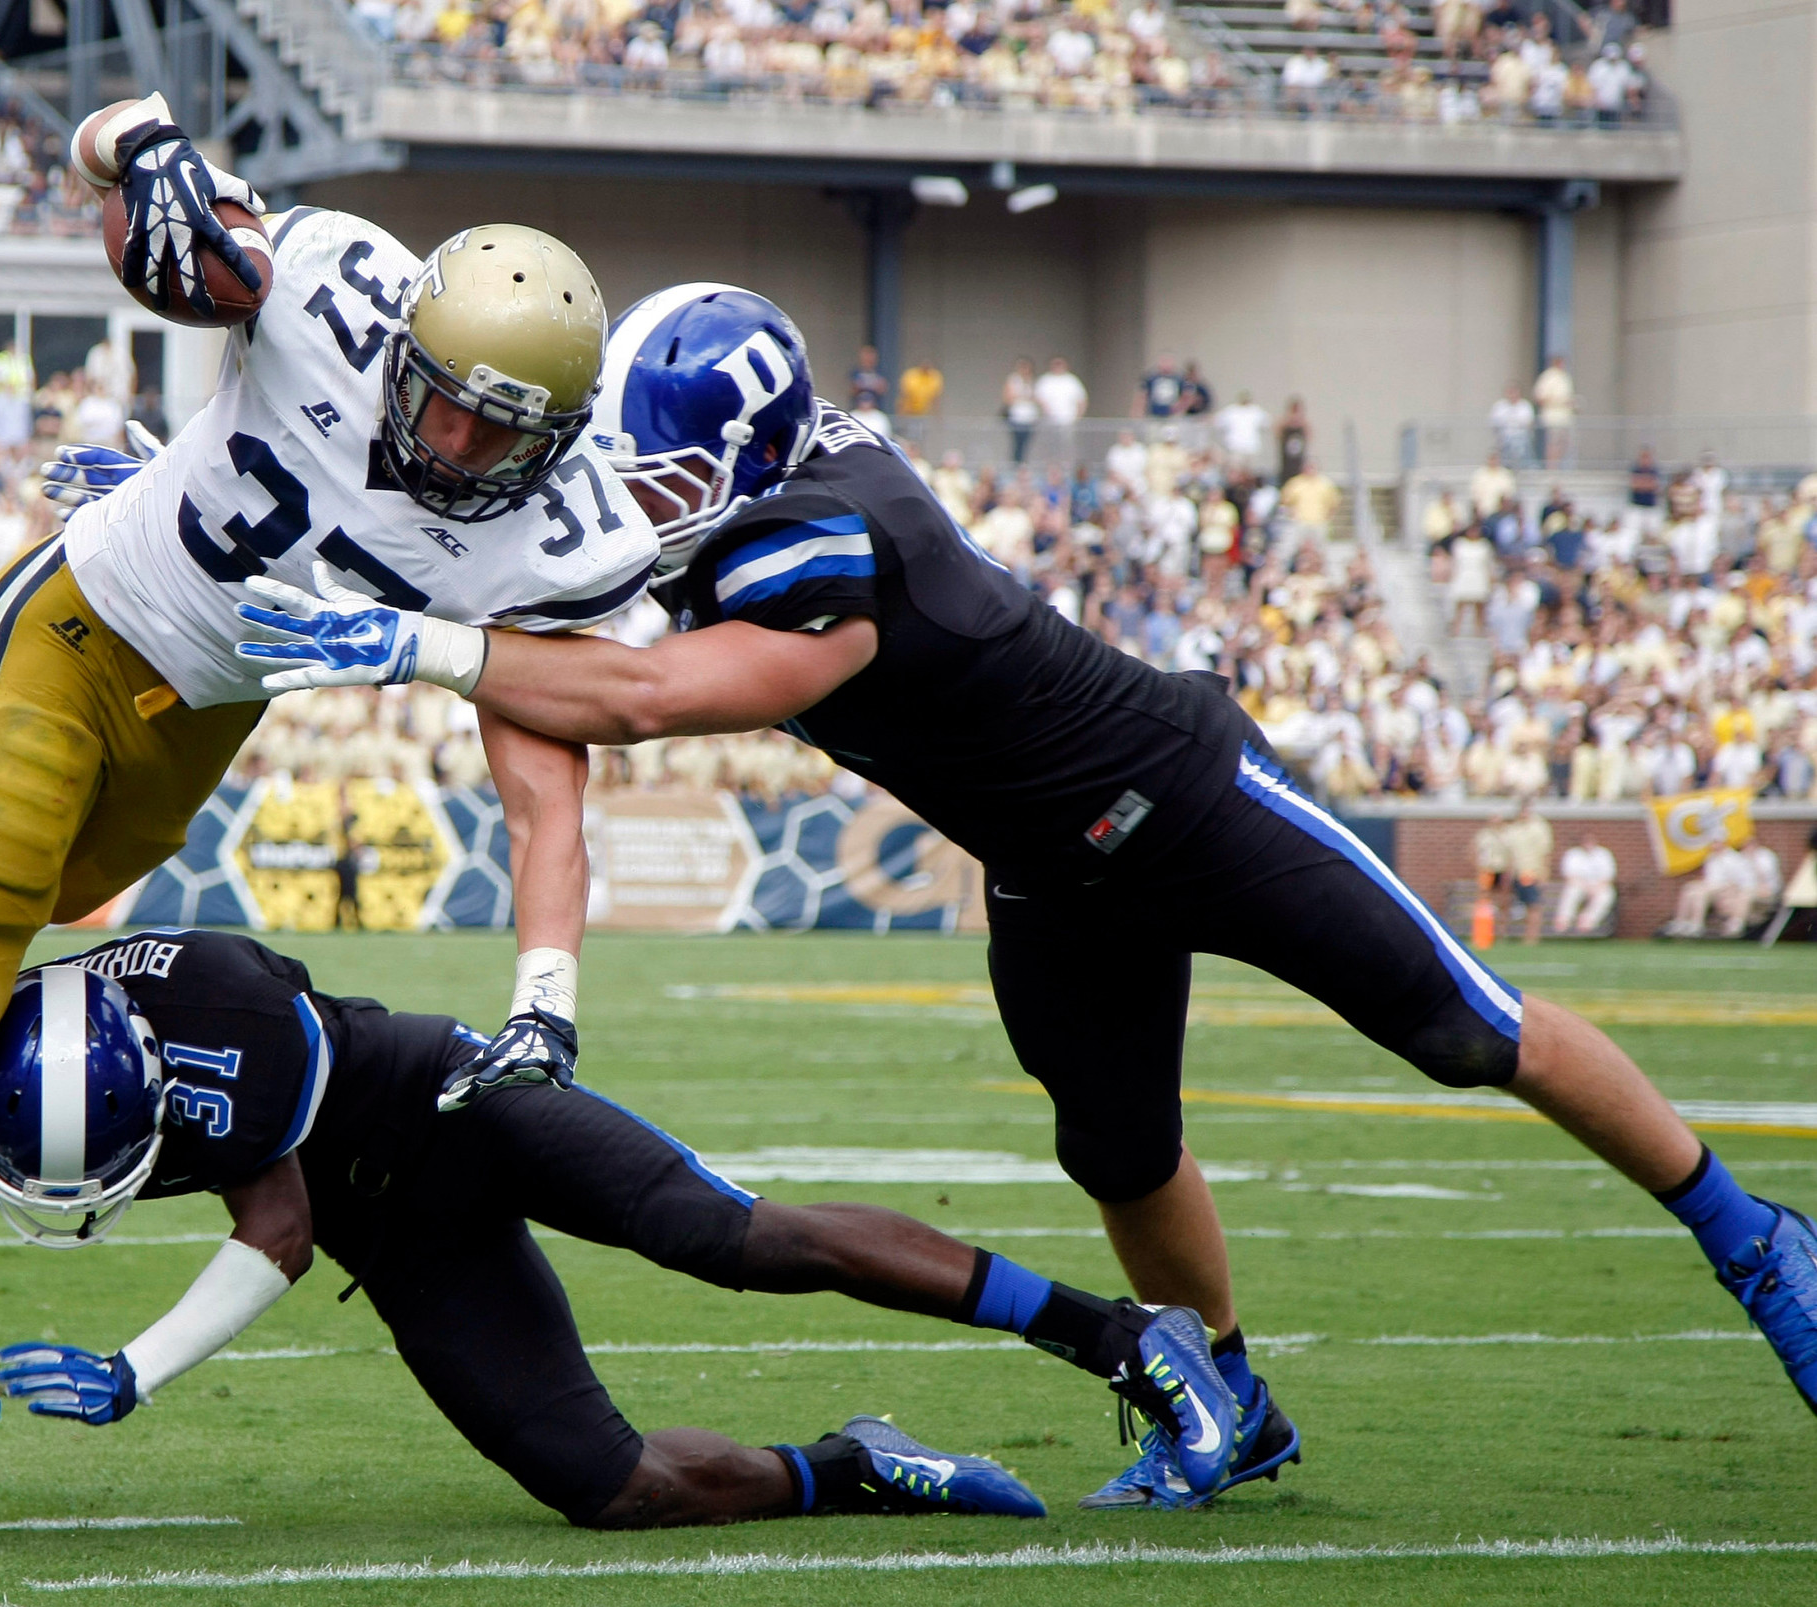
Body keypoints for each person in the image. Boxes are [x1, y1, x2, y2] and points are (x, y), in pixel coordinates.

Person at [230, 283, 1817, 1483]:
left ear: (749, 459)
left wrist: (414, 645)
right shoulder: (741, 485)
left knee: (1464, 1026)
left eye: (667, 473)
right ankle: (1233, 1395)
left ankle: (1754, 1236)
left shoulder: (827, 544)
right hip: (1050, 867)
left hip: (1177, 790)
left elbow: (643, 694)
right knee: (1118, 1146)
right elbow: (563, 592)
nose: (637, 498)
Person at [0, 101, 661, 1376]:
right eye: (443, 405)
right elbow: (114, 147)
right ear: (404, 347)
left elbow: (547, 783)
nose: (458, 446)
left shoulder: (567, 535)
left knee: (10, 895)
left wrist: (547, 994)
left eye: (502, 433)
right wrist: (146, 155)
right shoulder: (325, 283)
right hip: (81, 624)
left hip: (207, 703)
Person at [0, 931, 1247, 1517]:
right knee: (601, 1483)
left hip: (449, 1103)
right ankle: (856, 1467)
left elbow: (277, 1228)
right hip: (398, 1230)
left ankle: (1123, 1335)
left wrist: (134, 1367)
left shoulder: (223, 1015)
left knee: (728, 1236)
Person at [1499, 796, 1553, 945]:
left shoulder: (1539, 828)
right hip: (1516, 872)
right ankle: (1502, 936)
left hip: (1531, 872)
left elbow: (1545, 853)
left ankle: (1531, 938)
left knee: (1533, 905)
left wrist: (1544, 875)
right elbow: (1509, 854)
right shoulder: (1513, 829)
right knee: (1506, 904)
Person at [1554, 832, 1617, 936]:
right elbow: (1569, 875)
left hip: (1598, 886)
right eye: (1586, 841)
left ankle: (1587, 920)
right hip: (1579, 884)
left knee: (1607, 895)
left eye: (1590, 841)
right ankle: (1564, 919)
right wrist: (1585, 887)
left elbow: (1609, 876)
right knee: (1571, 891)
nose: (1588, 844)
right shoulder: (1573, 854)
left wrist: (1596, 888)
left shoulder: (1603, 854)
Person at [1033, 355, 1087, 468]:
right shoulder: (1045, 380)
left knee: (1066, 447)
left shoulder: (1072, 381)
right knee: (1050, 446)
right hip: (1050, 421)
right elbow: (1037, 397)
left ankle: (1067, 467)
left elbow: (1082, 400)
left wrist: (1077, 417)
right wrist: (1046, 410)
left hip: (1068, 421)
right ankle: (1050, 467)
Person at [1533, 355, 1575, 468]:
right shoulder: (1548, 377)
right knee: (1552, 444)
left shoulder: (1565, 377)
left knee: (1564, 444)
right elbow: (1540, 398)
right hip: (1552, 417)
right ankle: (1551, 467)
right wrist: (1558, 401)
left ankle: (1557, 466)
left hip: (1564, 417)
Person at [999, 357, 1037, 465]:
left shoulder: (1032, 381)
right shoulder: (1013, 380)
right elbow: (1008, 398)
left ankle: (1023, 464)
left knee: (1026, 443)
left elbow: (1036, 398)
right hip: (1016, 416)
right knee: (1017, 442)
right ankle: (1015, 464)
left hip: (1029, 417)